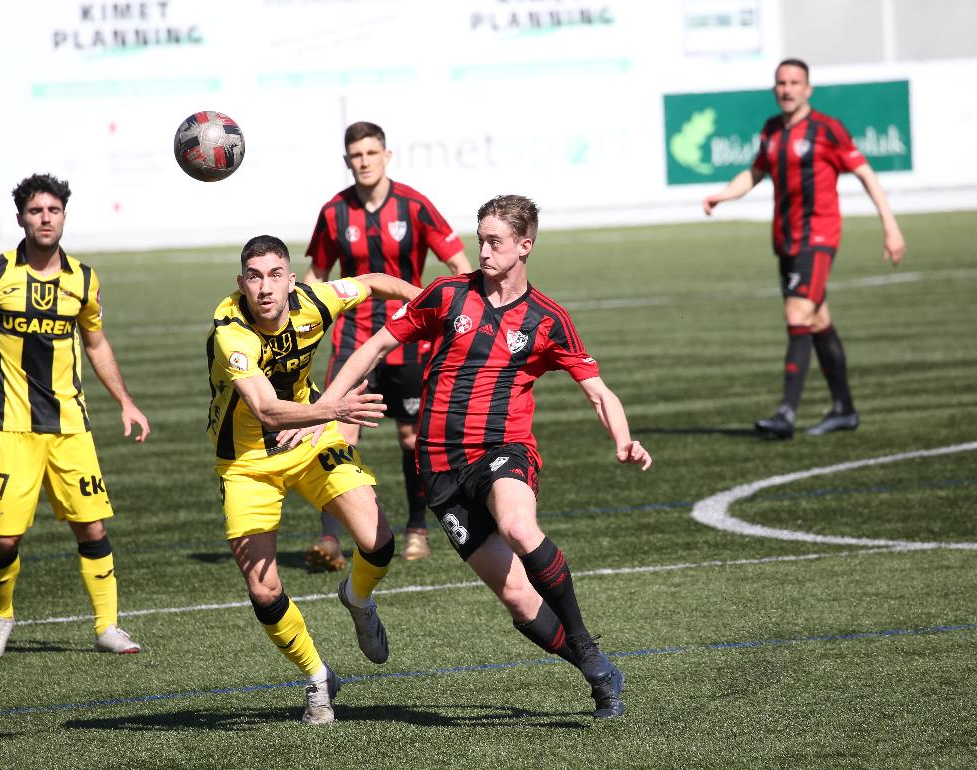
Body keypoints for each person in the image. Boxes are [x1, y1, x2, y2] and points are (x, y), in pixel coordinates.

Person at [317, 195, 651, 719]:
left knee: (519, 527)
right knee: (518, 598)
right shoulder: (448, 296)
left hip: (503, 450)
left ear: (525, 245)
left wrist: (623, 439)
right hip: (440, 469)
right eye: (482, 239)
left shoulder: (547, 319)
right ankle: (596, 670)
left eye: (496, 241)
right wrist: (325, 405)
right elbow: (376, 345)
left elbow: (598, 391)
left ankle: (585, 644)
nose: (485, 250)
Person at [207, 234, 419, 724]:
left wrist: (427, 299)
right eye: (254, 277)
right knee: (263, 590)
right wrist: (333, 410)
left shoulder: (316, 300)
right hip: (246, 463)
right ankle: (317, 678)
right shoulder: (231, 332)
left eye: (275, 275)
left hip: (310, 441)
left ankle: (357, 598)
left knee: (379, 541)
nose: (265, 287)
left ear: (292, 279)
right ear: (241, 283)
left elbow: (372, 282)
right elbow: (265, 408)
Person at [0, 173, 151, 660]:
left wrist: (125, 400)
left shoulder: (82, 278)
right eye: (36, 211)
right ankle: (1, 616)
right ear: (20, 217)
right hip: (10, 425)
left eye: (53, 210)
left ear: (63, 216)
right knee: (4, 536)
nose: (45, 218)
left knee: (93, 529)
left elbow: (96, 344)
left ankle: (107, 625)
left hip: (71, 427)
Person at [703, 58, 906, 439]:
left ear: (808, 88)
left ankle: (786, 415)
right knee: (817, 321)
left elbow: (865, 173)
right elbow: (755, 172)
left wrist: (890, 227)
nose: (787, 89)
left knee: (797, 314)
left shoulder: (828, 130)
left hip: (819, 238)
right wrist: (722, 195)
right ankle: (844, 410)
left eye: (795, 82)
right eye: (781, 82)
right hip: (786, 240)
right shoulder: (772, 131)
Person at [303, 120, 472, 568]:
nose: (363, 162)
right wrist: (303, 320)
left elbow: (457, 262)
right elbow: (316, 275)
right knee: (337, 430)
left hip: (408, 337)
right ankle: (330, 540)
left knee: (411, 436)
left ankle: (417, 528)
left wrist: (452, 313)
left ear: (386, 156)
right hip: (353, 336)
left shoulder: (414, 206)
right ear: (347, 161)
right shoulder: (334, 212)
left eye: (371, 154)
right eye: (355, 156)